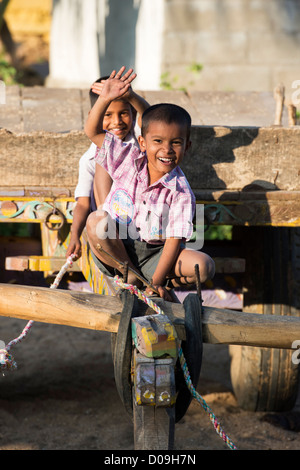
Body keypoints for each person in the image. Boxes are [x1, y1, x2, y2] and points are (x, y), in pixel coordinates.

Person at [85, 66, 215, 300]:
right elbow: (93, 131)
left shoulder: (181, 192)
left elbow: (174, 241)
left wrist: (155, 283)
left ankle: (151, 282)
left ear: (187, 147)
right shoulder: (127, 158)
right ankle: (133, 275)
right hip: (118, 247)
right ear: (142, 142)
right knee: (96, 221)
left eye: (175, 143)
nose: (166, 150)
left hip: (156, 253)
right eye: (158, 141)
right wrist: (104, 98)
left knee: (204, 265)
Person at [66, 75, 150, 259]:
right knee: (103, 157)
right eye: (107, 115)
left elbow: (150, 118)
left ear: (133, 115)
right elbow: (82, 203)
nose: (117, 122)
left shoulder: (137, 139)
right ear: (94, 117)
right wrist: (74, 235)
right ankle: (113, 227)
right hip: (108, 227)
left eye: (124, 113)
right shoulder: (89, 158)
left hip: (139, 218)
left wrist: (131, 96)